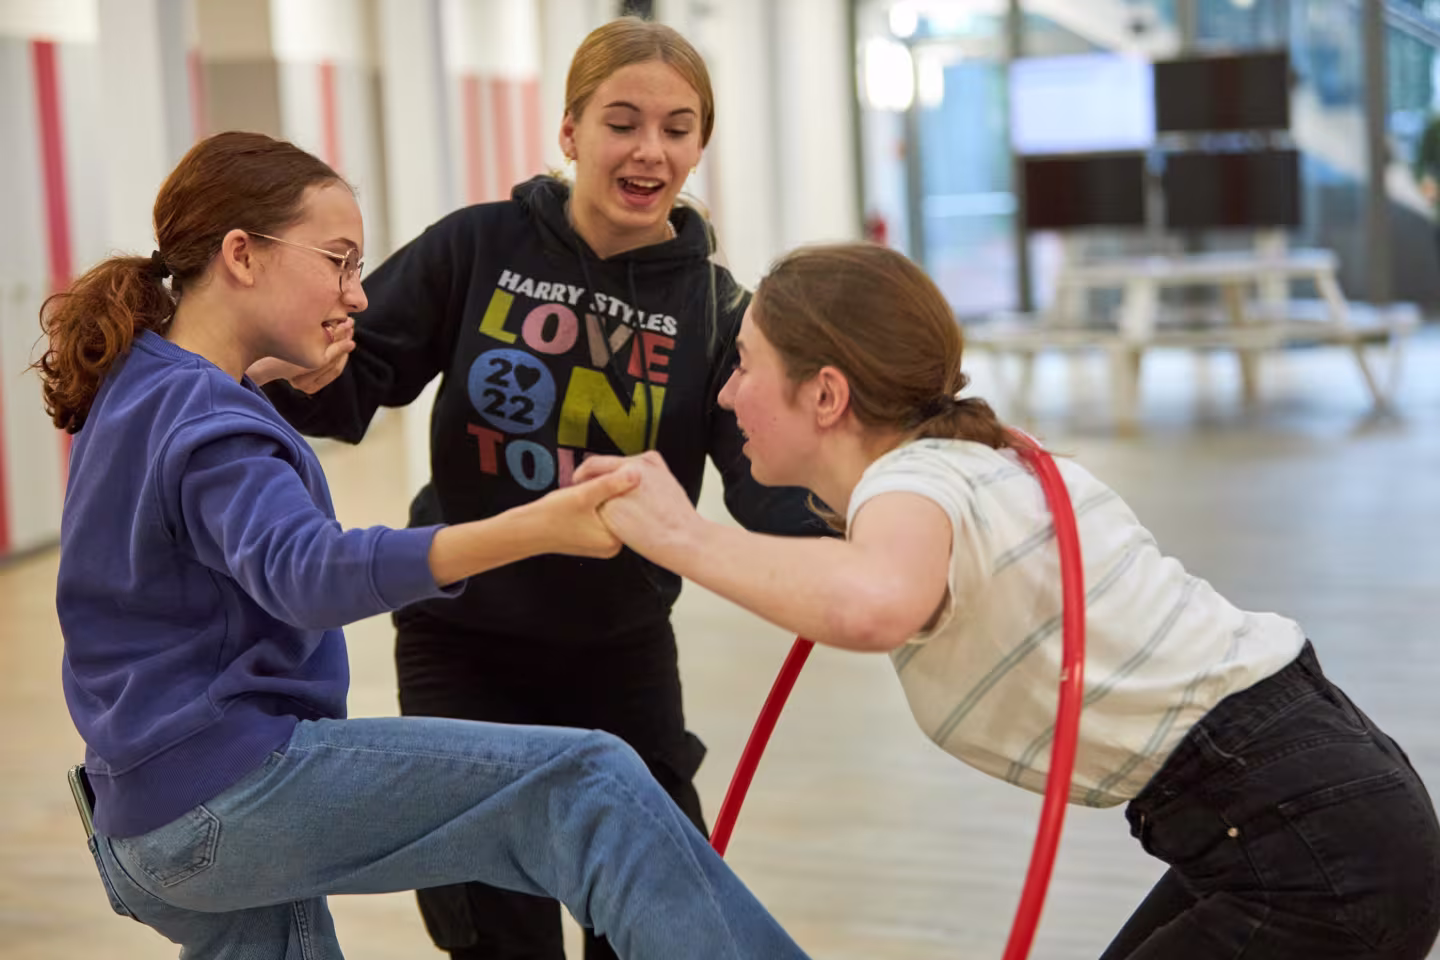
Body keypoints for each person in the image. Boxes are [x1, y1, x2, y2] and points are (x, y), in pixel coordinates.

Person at [38, 129, 812, 960]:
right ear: (242, 255)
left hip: (145, 814)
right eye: (339, 262)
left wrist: (258, 376)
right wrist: (538, 526)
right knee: (589, 783)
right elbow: (310, 572)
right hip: (222, 799)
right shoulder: (215, 427)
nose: (357, 295)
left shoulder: (144, 379)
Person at [575, 242, 1440, 960]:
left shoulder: (916, 484)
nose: (727, 394)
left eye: (743, 365)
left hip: (1304, 838)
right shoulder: (967, 465)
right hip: (1310, 807)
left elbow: (875, 606)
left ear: (827, 394)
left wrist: (679, 536)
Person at [257, 17, 827, 960]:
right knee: (492, 926)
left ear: (700, 147)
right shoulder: (476, 247)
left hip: (620, 645)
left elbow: (765, 486)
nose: (650, 150)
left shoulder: (714, 309)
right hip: (461, 635)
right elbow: (355, 381)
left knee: (651, 921)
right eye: (622, 122)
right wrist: (259, 349)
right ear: (570, 131)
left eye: (678, 128)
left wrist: (878, 505)